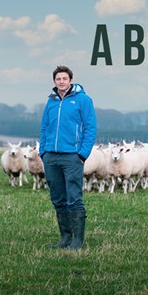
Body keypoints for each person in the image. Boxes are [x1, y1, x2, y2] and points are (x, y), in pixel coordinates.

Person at [39, 65, 97, 250]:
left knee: (74, 197)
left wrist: (82, 153)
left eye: (64, 78)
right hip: (51, 157)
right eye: (58, 79)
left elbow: (90, 127)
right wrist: (43, 151)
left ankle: (77, 241)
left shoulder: (83, 100)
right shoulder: (51, 101)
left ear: (70, 80)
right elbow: (44, 127)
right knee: (57, 198)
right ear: (54, 81)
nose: (61, 81)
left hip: (72, 156)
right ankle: (65, 237)